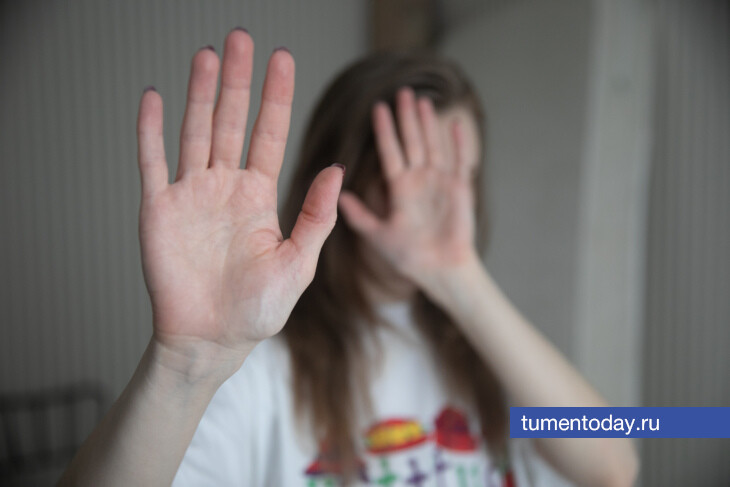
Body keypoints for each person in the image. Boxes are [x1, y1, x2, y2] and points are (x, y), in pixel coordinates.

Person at [59, 29, 638, 486]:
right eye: (414, 166)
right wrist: (186, 363)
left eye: (459, 173)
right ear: (345, 174)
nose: (438, 199)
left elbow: (615, 467)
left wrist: (458, 274)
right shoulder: (254, 362)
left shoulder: (491, 352)